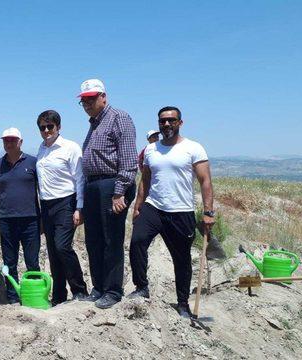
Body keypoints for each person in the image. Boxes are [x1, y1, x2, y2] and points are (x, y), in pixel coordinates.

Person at [128, 106, 214, 318]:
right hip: (153, 207)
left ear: (180, 123)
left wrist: (209, 212)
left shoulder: (193, 148)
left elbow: (205, 181)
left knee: (181, 259)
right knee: (137, 242)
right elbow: (145, 180)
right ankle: (141, 287)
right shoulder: (151, 150)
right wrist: (138, 206)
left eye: (171, 120)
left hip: (181, 211)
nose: (166, 124)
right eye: (163, 121)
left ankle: (183, 303)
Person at [79, 78, 137, 309]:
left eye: (91, 99)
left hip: (111, 185)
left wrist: (119, 192)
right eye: (83, 100)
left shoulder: (118, 118)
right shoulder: (94, 123)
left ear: (104, 96)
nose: (87, 104)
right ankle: (99, 286)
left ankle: (113, 290)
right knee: (94, 240)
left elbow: (129, 160)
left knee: (111, 239)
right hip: (93, 186)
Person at [35, 110, 89, 305]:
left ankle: (80, 290)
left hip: (66, 202)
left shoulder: (70, 148)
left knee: (62, 246)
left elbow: (79, 178)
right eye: (43, 127)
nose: (47, 130)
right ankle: (59, 295)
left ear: (59, 127)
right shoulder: (41, 149)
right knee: (52, 251)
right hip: (47, 205)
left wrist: (79, 207)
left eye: (50, 126)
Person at [0, 127, 41, 304]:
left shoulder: (33, 162)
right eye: (6, 140)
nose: (9, 143)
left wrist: (41, 218)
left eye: (13, 140)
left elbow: (41, 191)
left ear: (20, 142)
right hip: (7, 221)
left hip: (31, 220)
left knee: (32, 262)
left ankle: (33, 297)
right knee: (9, 262)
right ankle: (12, 297)